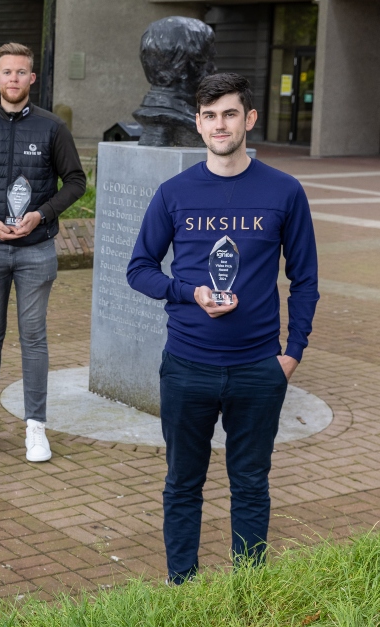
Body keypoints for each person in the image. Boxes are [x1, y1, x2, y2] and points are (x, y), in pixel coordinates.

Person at [127, 72, 319, 583]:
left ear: (249, 119)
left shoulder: (284, 191)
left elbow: (306, 279)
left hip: (259, 368)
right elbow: (139, 268)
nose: (219, 124)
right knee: (183, 484)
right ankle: (182, 588)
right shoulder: (175, 193)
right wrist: (189, 292)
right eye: (209, 115)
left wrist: (291, 354)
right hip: (188, 366)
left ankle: (247, 589)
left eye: (230, 113)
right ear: (197, 123)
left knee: (251, 484)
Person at [0, 42, 87, 462]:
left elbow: (76, 182)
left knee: (34, 338)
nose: (13, 78)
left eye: (21, 72)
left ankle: (35, 428)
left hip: (35, 250)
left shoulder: (51, 128)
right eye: (6, 72)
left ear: (31, 78)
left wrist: (41, 216)